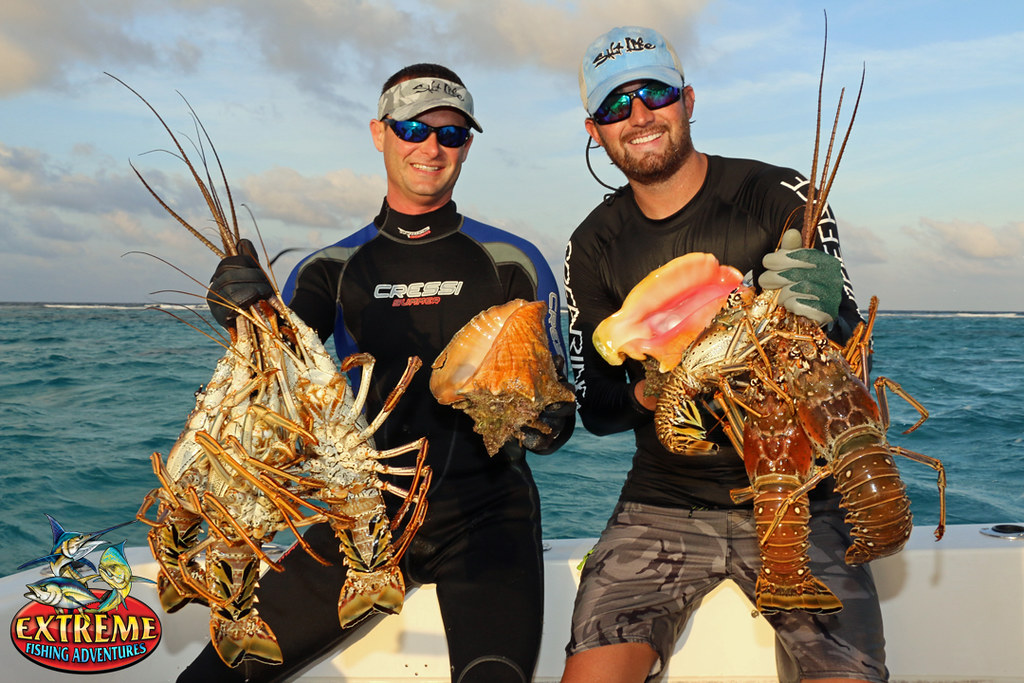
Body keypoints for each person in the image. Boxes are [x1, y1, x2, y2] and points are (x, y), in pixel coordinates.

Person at [180, 62, 574, 683]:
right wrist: (241, 317)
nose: (431, 147)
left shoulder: (511, 261)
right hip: (363, 514)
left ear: (467, 146)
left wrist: (544, 420)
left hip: (490, 516)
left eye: (452, 134)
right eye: (413, 127)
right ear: (379, 132)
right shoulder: (327, 270)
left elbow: (559, 409)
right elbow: (272, 386)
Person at [560, 26, 886, 683]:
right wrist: (657, 387)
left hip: (802, 495)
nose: (639, 115)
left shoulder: (781, 195)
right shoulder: (593, 243)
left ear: (687, 99)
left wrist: (833, 313)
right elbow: (597, 409)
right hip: (662, 499)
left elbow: (852, 363)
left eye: (654, 93)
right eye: (615, 106)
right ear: (594, 129)